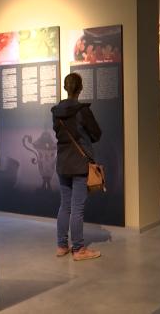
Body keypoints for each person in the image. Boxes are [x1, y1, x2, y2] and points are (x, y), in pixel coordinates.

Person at [51, 73, 102, 261]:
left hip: (63, 163)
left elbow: (59, 135)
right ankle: (79, 249)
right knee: (77, 207)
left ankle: (62, 245)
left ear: (66, 88)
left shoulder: (56, 111)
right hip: (80, 164)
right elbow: (97, 134)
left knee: (65, 205)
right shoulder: (83, 111)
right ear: (80, 88)